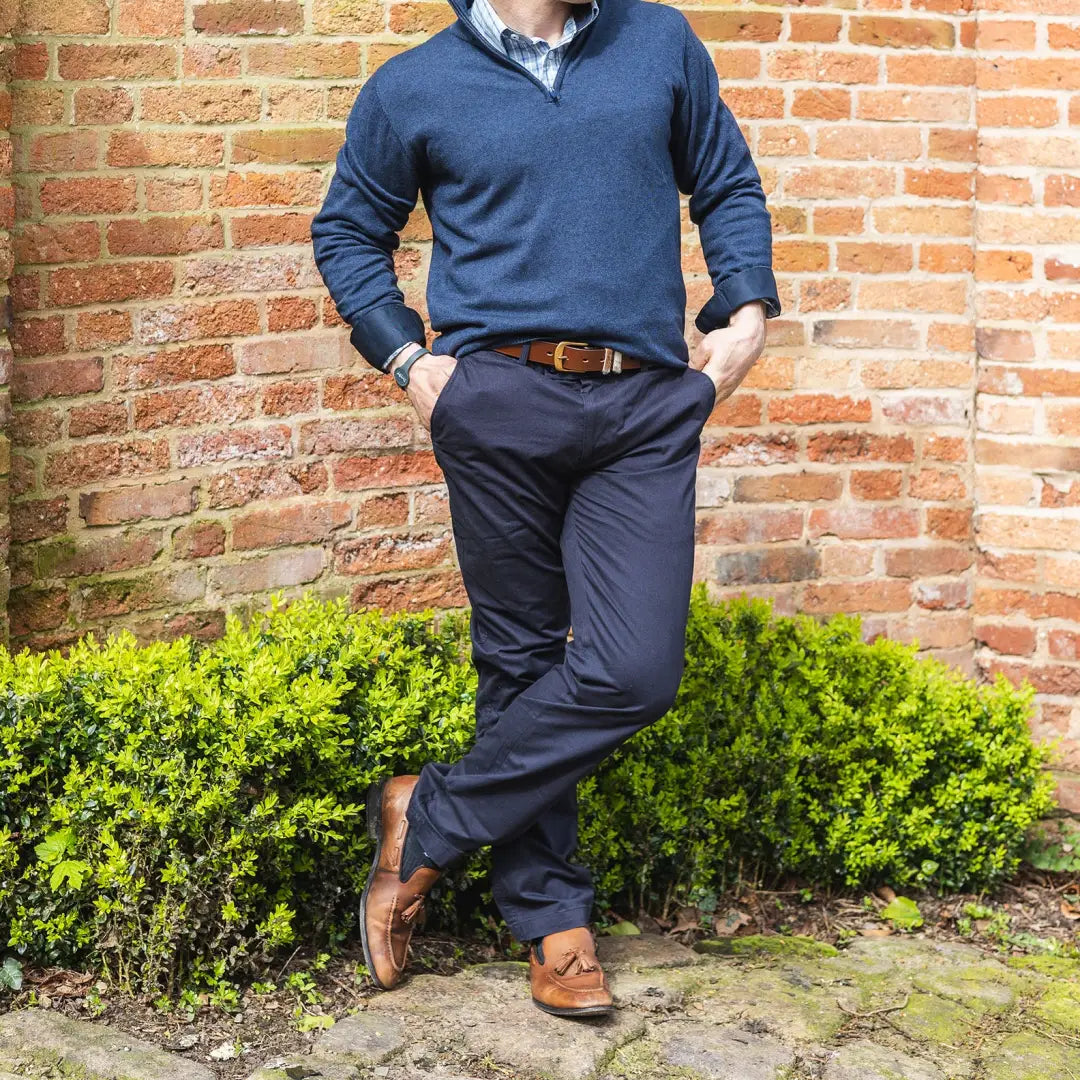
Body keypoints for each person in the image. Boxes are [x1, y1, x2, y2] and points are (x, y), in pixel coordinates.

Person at [311, 0, 781, 1017]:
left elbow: (727, 181)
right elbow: (350, 228)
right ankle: (554, 924)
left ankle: (424, 816)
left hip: (643, 401)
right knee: (520, 662)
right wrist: (409, 359)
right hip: (497, 398)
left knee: (635, 668)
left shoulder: (657, 43)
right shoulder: (414, 84)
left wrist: (744, 311)